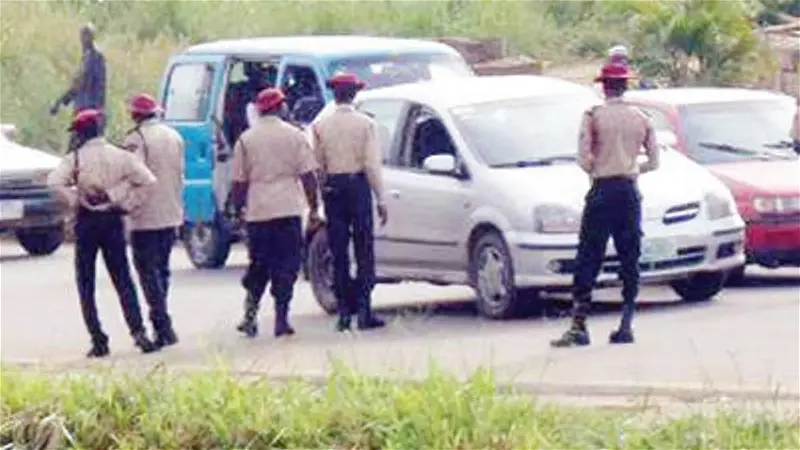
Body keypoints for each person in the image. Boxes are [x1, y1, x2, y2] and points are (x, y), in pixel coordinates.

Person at [551, 62, 660, 348]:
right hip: (628, 190)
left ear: (604, 86)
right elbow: (655, 161)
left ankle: (579, 325)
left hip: (602, 189)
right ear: (625, 86)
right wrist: (631, 167)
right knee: (629, 256)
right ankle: (626, 323)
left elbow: (584, 158)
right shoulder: (641, 117)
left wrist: (600, 166)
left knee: (589, 255)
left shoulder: (593, 116)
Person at [47, 109, 158, 357]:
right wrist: (123, 199)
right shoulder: (120, 156)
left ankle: (98, 339)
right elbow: (148, 180)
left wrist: (76, 199)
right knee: (123, 279)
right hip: (113, 220)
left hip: (87, 222)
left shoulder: (75, 159)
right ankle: (139, 333)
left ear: (80, 134)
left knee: (85, 282)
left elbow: (54, 182)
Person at [230, 88, 321, 338]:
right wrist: (313, 207)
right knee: (286, 266)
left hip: (258, 212)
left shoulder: (246, 140)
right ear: (281, 108)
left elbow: (239, 182)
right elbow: (308, 176)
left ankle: (250, 313)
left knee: (259, 265)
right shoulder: (295, 136)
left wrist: (239, 211)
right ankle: (281, 319)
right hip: (288, 209)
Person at [312, 73, 388, 332]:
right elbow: (371, 165)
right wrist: (381, 198)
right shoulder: (366, 124)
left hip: (334, 188)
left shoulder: (321, 126)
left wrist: (323, 192)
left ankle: (344, 313)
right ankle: (365, 310)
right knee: (364, 249)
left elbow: (318, 166)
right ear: (354, 94)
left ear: (335, 95)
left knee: (339, 251)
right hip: (358, 187)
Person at [120, 93, 185, 348]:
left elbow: (134, 175)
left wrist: (125, 204)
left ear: (136, 115)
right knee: (162, 271)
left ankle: (162, 323)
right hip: (170, 210)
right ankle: (162, 321)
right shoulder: (174, 136)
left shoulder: (137, 139)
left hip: (145, 214)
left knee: (148, 273)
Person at [50, 24, 107, 130]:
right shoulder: (88, 55)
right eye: (83, 36)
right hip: (88, 107)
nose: (83, 40)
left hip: (88, 110)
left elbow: (81, 82)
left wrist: (61, 101)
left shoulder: (94, 56)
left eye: (86, 36)